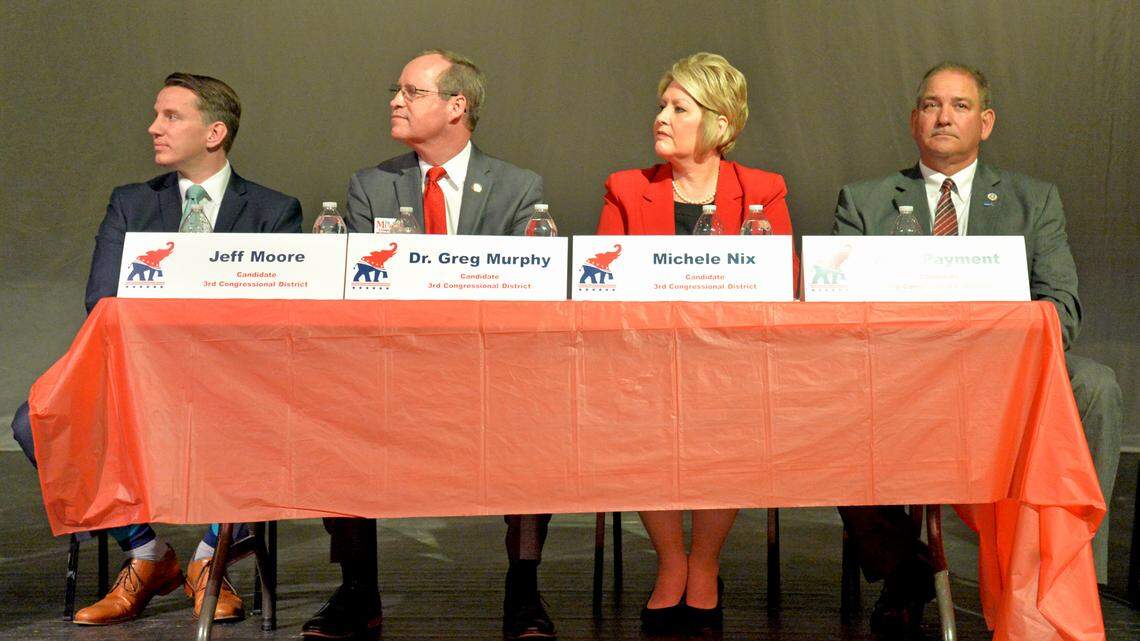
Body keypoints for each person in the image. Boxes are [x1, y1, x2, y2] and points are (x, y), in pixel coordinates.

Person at [831, 61, 1123, 639]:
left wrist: (997, 351)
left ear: (985, 122)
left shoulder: (1032, 200)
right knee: (835, 393)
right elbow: (839, 312)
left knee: (1096, 385)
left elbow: (1062, 306)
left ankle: (1067, 566)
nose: (944, 117)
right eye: (932, 105)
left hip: (1009, 373)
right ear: (915, 120)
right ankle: (902, 565)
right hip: (901, 376)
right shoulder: (864, 203)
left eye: (960, 106)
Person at [10, 72, 302, 625]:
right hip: (140, 379)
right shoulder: (130, 204)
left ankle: (209, 560)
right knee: (37, 421)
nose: (154, 128)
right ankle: (147, 554)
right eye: (156, 114)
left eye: (171, 117)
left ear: (214, 132)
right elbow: (102, 299)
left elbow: (275, 317)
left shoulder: (273, 210)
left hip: (232, 382)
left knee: (279, 420)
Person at [304, 50, 548, 641]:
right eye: (398, 90)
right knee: (331, 412)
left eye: (412, 91)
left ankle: (524, 587)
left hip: (488, 370)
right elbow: (356, 291)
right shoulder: (370, 186)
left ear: (456, 106)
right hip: (390, 369)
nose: (395, 100)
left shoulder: (520, 188)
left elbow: (528, 289)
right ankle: (359, 590)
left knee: (540, 415)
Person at [596, 52, 798, 636]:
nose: (661, 117)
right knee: (640, 415)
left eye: (678, 108)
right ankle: (671, 560)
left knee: (730, 416)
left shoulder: (763, 189)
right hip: (646, 358)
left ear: (718, 122)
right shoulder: (627, 189)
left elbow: (781, 280)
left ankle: (705, 562)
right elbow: (603, 281)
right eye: (662, 105)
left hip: (732, 359)